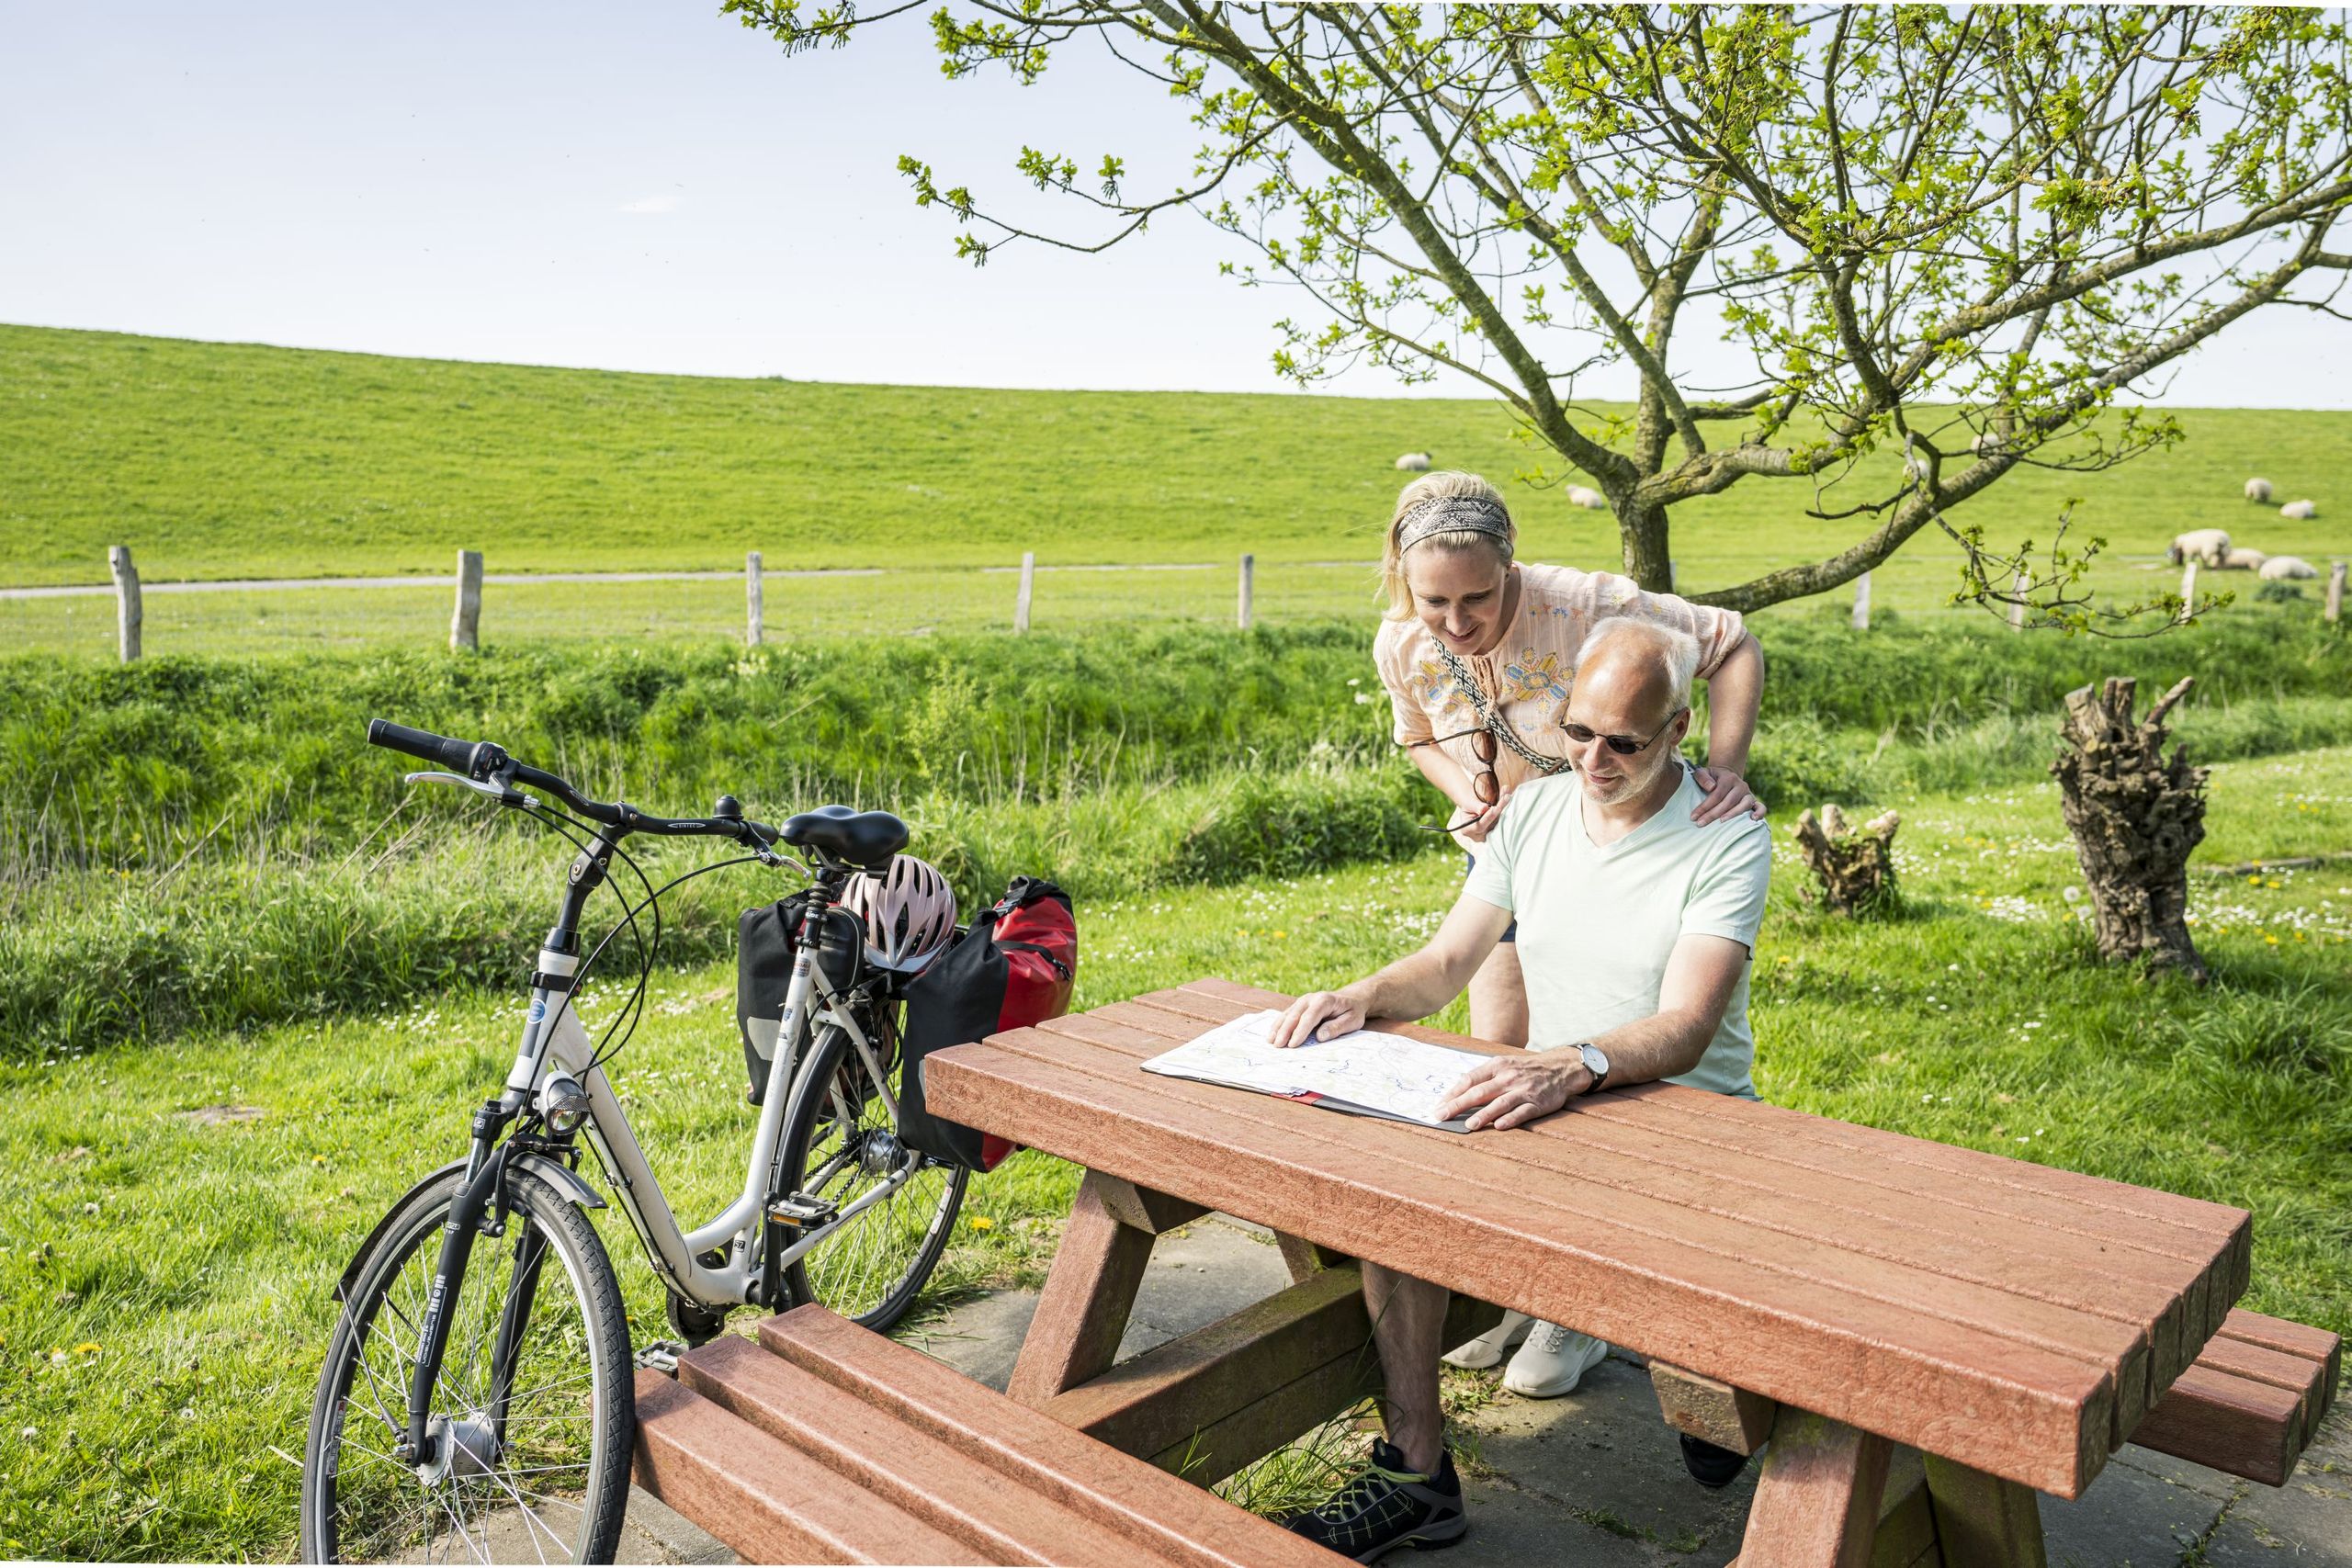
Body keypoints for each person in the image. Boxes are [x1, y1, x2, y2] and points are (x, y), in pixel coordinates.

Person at [1273, 617, 1775, 1562]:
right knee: (1392, 1203)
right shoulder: (1537, 811)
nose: (1592, 757)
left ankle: (1718, 1389)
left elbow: (1686, 1027)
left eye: (1624, 741)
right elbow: (1447, 960)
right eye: (1576, 731)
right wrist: (1357, 997)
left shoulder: (1724, 831)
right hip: (1552, 1107)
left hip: (1690, 1127)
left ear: (1676, 730)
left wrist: (1572, 1060)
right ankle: (1416, 1475)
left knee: (1718, 1398)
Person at [1371, 469, 1765, 1399]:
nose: (1457, 622)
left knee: (1594, 1031)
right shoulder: (1402, 642)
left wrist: (1725, 766)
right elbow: (1417, 733)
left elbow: (1733, 642)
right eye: (1436, 603)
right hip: (1522, 831)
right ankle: (1513, 1284)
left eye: (1477, 598)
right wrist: (1473, 795)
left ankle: (1569, 1308)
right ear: (1404, 584)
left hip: (1630, 823)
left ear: (1513, 569)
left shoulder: (1588, 605)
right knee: (1495, 1048)